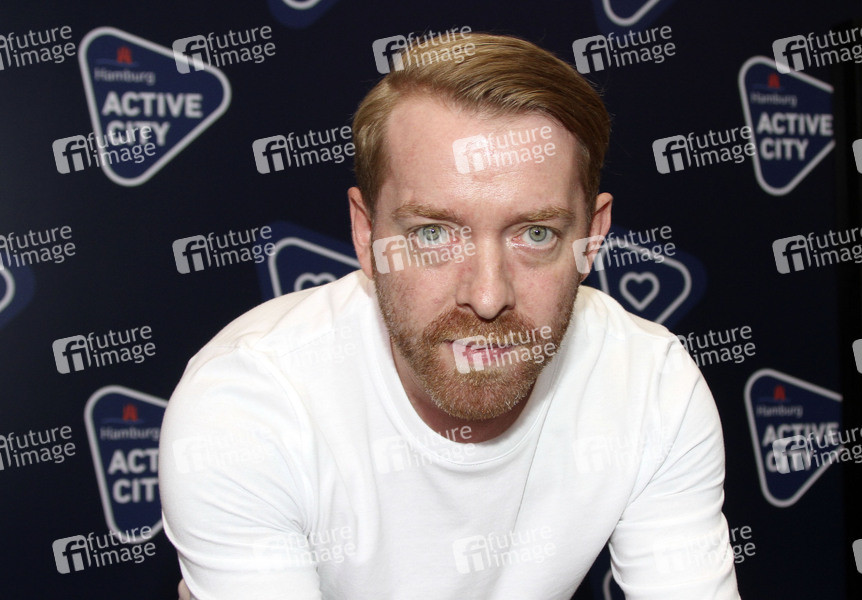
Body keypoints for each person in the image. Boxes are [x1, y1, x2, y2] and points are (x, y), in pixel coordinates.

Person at [159, 32, 741, 599]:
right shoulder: (249, 404)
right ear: (366, 233)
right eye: (433, 234)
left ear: (592, 238)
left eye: (536, 233)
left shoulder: (651, 383)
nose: (487, 297)